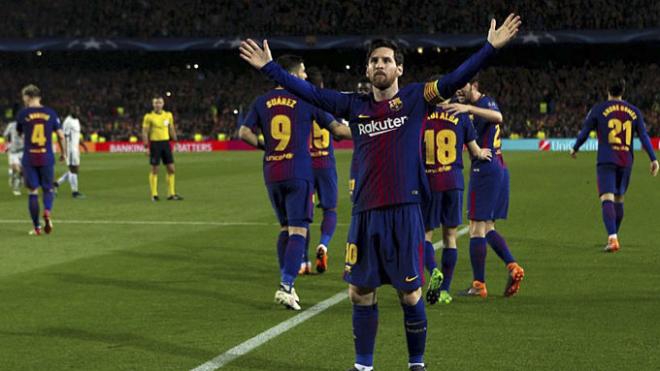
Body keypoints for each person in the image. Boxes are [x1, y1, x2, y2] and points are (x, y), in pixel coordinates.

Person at [240, 13, 520, 371]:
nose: (379, 65)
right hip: (365, 214)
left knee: (410, 294)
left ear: (399, 69)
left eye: (387, 60)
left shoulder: (418, 97)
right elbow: (309, 92)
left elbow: (454, 79)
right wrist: (270, 69)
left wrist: (489, 48)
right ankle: (363, 366)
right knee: (359, 293)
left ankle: (416, 363)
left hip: (405, 211)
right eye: (374, 60)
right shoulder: (354, 105)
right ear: (367, 69)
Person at [239, 54, 350, 310]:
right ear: (292, 74)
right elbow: (338, 131)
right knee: (299, 230)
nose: (306, 76)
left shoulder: (261, 101)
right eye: (302, 72)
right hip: (298, 171)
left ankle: (287, 281)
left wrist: (263, 147)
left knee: (284, 228)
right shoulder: (306, 97)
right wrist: (370, 128)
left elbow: (243, 133)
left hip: (272, 172)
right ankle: (286, 285)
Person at [444, 77, 525, 298]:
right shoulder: (471, 109)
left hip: (485, 169)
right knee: (487, 227)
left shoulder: (484, 103)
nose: (459, 91)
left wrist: (468, 107)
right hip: (497, 166)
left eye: (463, 86)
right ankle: (512, 266)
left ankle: (479, 284)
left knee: (475, 228)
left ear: (475, 86)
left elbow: (498, 117)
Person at [421, 86, 492, 305]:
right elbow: (475, 151)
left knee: (424, 237)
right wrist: (483, 152)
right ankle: (444, 291)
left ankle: (433, 270)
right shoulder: (460, 115)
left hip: (429, 182)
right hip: (453, 182)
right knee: (450, 237)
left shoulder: (422, 115)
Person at [571, 79, 659, 252]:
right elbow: (643, 136)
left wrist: (575, 147)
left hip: (606, 159)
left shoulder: (598, 109)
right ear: (623, 91)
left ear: (607, 90)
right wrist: (653, 158)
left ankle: (612, 238)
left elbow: (585, 131)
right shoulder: (634, 112)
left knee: (607, 198)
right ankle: (613, 235)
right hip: (626, 161)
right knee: (619, 199)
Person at [15, 84, 66, 235]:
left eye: (24, 97)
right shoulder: (50, 113)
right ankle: (48, 211)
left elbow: (19, 133)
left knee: (32, 192)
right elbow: (61, 136)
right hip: (46, 157)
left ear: (28, 97)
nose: (23, 99)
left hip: (30, 157)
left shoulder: (23, 114)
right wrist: (64, 153)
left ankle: (37, 227)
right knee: (48, 188)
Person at [142, 96, 182, 201]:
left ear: (163, 104)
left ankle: (171, 194)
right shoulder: (149, 117)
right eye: (156, 103)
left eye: (159, 102)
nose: (158, 105)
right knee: (155, 169)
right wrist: (146, 147)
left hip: (166, 143)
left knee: (171, 169)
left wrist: (175, 141)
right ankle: (154, 194)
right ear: (153, 104)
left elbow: (171, 129)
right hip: (155, 144)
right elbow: (145, 132)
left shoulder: (168, 115)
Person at [54, 106, 88, 198]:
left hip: (75, 149)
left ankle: (56, 184)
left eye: (78, 110)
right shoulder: (67, 122)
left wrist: (83, 145)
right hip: (70, 149)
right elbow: (61, 136)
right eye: (75, 110)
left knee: (74, 170)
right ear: (71, 111)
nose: (77, 112)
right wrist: (63, 152)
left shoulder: (76, 120)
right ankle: (75, 192)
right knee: (74, 170)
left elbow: (76, 135)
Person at [3, 120, 24, 196]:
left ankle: (13, 176)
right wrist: (7, 145)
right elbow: (5, 134)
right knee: (19, 170)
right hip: (13, 151)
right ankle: (16, 189)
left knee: (23, 171)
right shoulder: (11, 125)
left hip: (22, 151)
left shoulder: (26, 124)